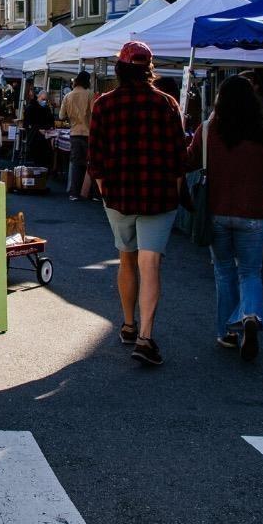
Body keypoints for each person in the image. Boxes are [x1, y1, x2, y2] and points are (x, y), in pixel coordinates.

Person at [88, 41, 185, 368]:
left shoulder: (104, 105)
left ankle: (129, 324)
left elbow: (95, 159)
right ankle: (145, 337)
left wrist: (105, 191)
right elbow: (179, 157)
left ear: (119, 68)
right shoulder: (167, 104)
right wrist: (175, 191)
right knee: (150, 263)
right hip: (158, 195)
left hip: (118, 194)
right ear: (149, 69)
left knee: (126, 257)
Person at [188, 76, 263, 360]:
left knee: (224, 271)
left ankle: (227, 331)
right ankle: (250, 315)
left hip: (217, 210)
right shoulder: (261, 132)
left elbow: (189, 160)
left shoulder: (208, 130)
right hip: (252, 211)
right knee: (250, 272)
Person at [62, 71, 94, 201]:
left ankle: (74, 193)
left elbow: (61, 116)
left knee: (76, 163)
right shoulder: (90, 94)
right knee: (90, 163)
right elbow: (94, 112)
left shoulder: (68, 96)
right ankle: (90, 193)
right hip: (88, 133)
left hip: (74, 133)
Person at [22, 84, 56, 172]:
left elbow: (51, 121)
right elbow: (27, 124)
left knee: (45, 161)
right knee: (36, 162)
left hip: (45, 138)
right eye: (43, 99)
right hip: (35, 138)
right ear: (38, 97)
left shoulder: (47, 108)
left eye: (46, 100)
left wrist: (49, 129)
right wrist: (38, 129)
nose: (44, 101)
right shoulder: (31, 108)